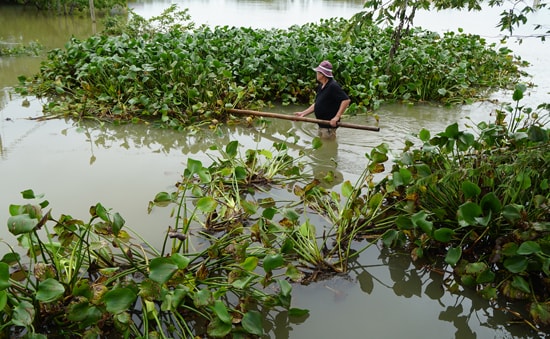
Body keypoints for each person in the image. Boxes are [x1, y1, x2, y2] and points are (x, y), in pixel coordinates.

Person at [295, 60, 351, 138]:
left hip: (329, 125)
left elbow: (346, 100)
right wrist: (303, 113)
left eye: (318, 72)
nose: (316, 74)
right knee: (322, 145)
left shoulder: (332, 86)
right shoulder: (321, 86)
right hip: (321, 124)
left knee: (328, 148)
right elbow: (317, 104)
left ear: (323, 74)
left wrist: (337, 117)